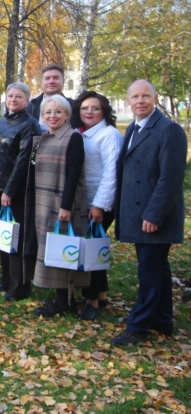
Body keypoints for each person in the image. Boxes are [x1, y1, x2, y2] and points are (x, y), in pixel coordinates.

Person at [111, 80, 187, 345]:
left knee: (149, 273)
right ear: (128, 100)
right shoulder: (133, 127)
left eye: (145, 95)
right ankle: (162, 319)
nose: (140, 100)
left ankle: (139, 326)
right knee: (157, 269)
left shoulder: (169, 131)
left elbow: (171, 179)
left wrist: (154, 215)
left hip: (154, 215)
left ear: (155, 98)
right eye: (135, 96)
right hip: (137, 212)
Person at [26, 95, 89, 317]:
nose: (52, 116)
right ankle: (61, 296)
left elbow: (74, 174)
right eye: (48, 112)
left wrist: (66, 205)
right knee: (50, 248)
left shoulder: (73, 138)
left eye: (58, 112)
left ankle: (66, 298)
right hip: (44, 202)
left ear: (67, 115)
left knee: (63, 249)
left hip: (62, 202)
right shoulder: (45, 137)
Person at [71, 91, 123, 320]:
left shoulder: (109, 135)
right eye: (84, 108)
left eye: (94, 108)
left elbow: (112, 173)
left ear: (104, 112)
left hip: (100, 202)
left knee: (91, 251)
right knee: (95, 246)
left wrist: (99, 205)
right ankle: (101, 294)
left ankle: (91, 301)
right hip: (86, 199)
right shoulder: (83, 134)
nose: (89, 112)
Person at [0, 82, 41, 301]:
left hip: (16, 192)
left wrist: (9, 191)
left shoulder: (29, 125)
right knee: (4, 237)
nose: (13, 99)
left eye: (18, 96)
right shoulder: (3, 121)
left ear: (27, 100)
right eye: (10, 96)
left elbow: (23, 162)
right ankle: (6, 281)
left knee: (17, 240)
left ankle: (19, 287)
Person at [26, 64, 75, 132]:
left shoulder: (74, 106)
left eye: (55, 78)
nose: (51, 81)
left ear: (63, 81)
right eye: (47, 78)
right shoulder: (31, 106)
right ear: (41, 82)